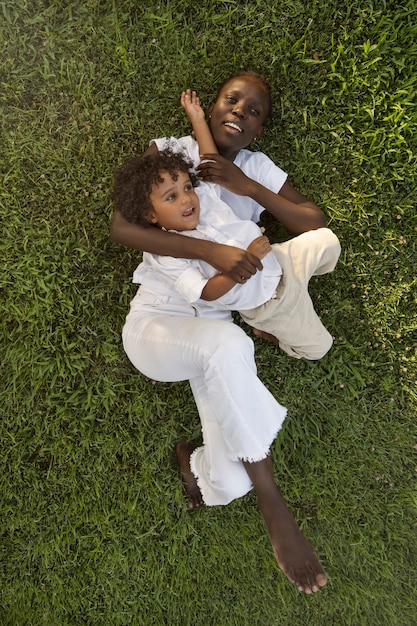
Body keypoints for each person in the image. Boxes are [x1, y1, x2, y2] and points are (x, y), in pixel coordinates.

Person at [110, 71, 330, 593]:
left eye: (254, 111)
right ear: (209, 106)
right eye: (231, 100)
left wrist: (247, 188)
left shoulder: (249, 169)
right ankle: (273, 503)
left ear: (260, 130)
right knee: (230, 345)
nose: (240, 112)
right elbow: (125, 227)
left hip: (215, 322)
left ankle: (197, 462)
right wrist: (213, 253)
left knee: (226, 484)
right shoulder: (174, 159)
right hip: (160, 323)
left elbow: (311, 218)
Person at [113, 145, 339, 360]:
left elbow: (209, 156)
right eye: (171, 197)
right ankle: (268, 332)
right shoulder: (166, 257)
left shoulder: (205, 202)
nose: (187, 198)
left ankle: (306, 277)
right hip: (269, 305)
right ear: (150, 215)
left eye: (187, 187)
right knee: (319, 348)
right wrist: (243, 264)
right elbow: (207, 293)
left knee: (328, 240)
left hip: (281, 261)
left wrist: (198, 119)